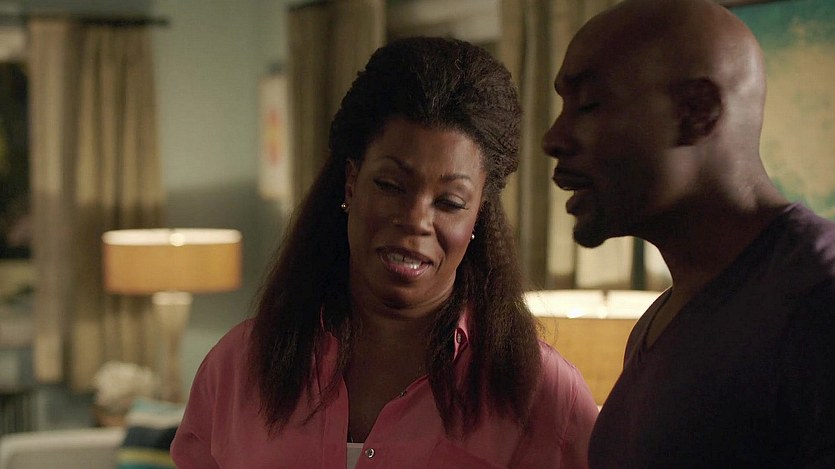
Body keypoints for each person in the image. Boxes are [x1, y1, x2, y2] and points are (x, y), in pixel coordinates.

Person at [171, 36, 598, 468]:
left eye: (450, 202)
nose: (415, 220)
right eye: (391, 186)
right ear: (351, 183)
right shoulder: (236, 369)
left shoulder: (544, 398)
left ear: (478, 217)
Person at [541, 0, 835, 467]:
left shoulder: (816, 301)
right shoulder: (658, 321)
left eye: (590, 104)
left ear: (697, 112)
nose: (553, 138)